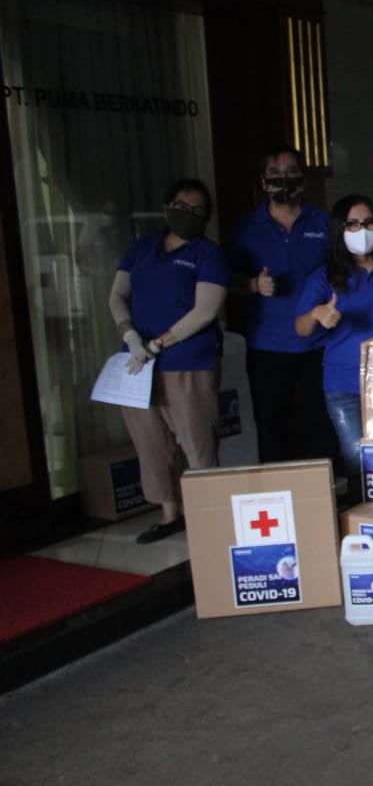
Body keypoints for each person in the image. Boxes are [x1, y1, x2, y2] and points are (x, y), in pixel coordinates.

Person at [109, 178, 229, 543]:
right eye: (181, 206)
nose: (187, 215)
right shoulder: (142, 249)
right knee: (150, 442)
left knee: (196, 440)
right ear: (166, 208)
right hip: (138, 364)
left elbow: (205, 310)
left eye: (197, 210)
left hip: (187, 361)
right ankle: (169, 514)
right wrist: (130, 334)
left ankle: (208, 516)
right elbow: (117, 296)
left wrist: (159, 343)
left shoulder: (208, 254)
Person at [295, 194, 373, 505]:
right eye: (352, 224)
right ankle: (362, 523)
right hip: (344, 385)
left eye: (368, 222)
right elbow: (299, 328)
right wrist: (316, 314)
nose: (361, 229)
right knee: (356, 460)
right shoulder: (325, 276)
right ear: (340, 229)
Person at [228, 146, 337, 465]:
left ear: (303, 178)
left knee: (323, 425)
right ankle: (276, 499)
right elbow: (225, 280)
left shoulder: (324, 223)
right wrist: (252, 285)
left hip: (320, 343)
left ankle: (325, 493)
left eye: (291, 173)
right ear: (263, 182)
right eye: (276, 175)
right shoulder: (246, 228)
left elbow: (343, 272)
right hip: (268, 344)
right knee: (271, 426)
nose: (284, 180)